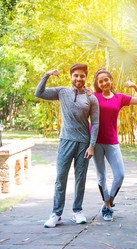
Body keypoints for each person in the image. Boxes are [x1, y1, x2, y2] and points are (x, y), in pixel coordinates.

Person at [34, 64, 99, 227]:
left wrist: (92, 145)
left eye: (82, 76)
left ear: (86, 77)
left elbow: (96, 123)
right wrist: (47, 75)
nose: (79, 78)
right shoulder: (62, 92)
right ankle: (56, 214)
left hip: (84, 143)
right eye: (75, 75)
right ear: (71, 76)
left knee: (80, 179)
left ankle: (77, 211)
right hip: (66, 141)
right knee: (60, 178)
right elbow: (39, 93)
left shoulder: (91, 97)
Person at [92, 69, 137, 221]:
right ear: (97, 84)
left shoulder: (119, 97)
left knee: (120, 174)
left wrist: (134, 86)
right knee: (101, 175)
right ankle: (108, 208)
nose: (104, 83)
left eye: (106, 80)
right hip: (95, 141)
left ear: (111, 80)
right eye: (100, 81)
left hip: (112, 142)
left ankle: (109, 201)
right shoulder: (94, 96)